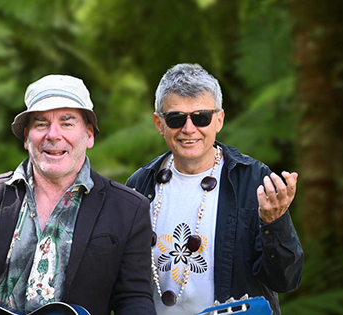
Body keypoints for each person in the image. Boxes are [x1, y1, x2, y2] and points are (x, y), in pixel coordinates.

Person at [0, 75, 157, 315]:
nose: (53, 135)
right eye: (41, 124)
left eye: (67, 123)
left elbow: (133, 298)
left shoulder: (129, 209)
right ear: (26, 137)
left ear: (89, 135)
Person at [125, 63, 304, 315]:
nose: (189, 129)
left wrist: (275, 223)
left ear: (219, 119)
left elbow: (286, 280)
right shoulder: (139, 185)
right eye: (176, 119)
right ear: (159, 123)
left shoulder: (254, 180)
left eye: (201, 118)